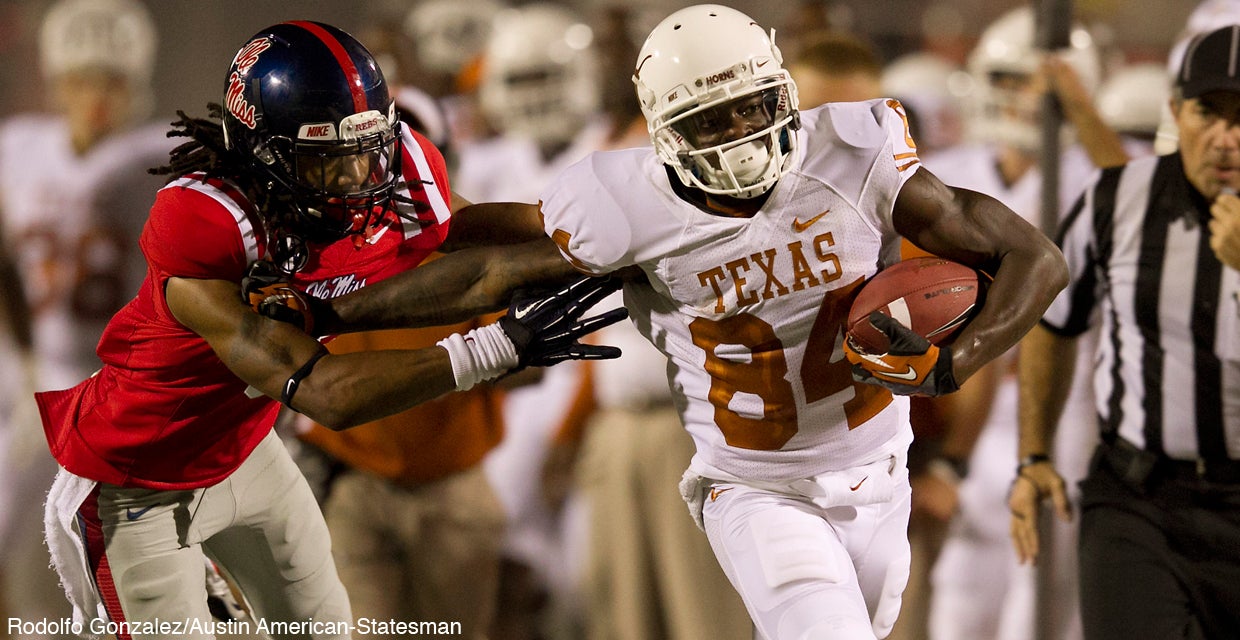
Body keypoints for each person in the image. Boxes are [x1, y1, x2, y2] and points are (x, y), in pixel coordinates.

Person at [36, 20, 623, 635]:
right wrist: (492, 348)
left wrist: (611, 243)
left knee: (324, 628)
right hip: (140, 476)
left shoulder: (397, 169)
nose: (360, 180)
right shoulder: (210, 224)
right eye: (327, 161)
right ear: (263, 153)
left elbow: (471, 255)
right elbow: (325, 392)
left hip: (245, 450)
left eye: (368, 150)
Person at [527, 5, 1068, 638]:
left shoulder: (865, 170)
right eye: (708, 119)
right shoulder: (635, 200)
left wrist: (952, 383)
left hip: (881, 469)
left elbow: (1028, 265)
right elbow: (497, 255)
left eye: (750, 107)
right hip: (753, 479)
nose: (735, 133)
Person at [1010, 23, 1240, 640]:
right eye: (1208, 112)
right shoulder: (1118, 198)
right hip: (1141, 498)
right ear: (1175, 112)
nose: (1227, 139)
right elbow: (1053, 322)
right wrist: (1033, 453)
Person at [918, 7, 1123, 639]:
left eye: (1032, 83)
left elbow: (1135, 191)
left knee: (1040, 615)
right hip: (971, 409)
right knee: (958, 605)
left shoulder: (1098, 173)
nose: (1016, 99)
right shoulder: (952, 176)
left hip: (1065, 411)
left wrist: (1084, 114)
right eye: (1006, 80)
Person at [0, 0, 171, 629]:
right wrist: (18, 355)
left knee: (133, 562)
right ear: (55, 82)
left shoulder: (156, 156)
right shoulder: (17, 148)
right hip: (32, 373)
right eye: (80, 78)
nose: (95, 96)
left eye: (112, 79)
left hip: (117, 379)